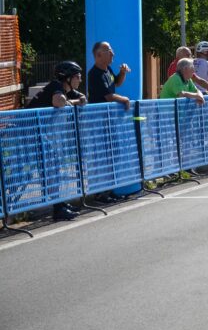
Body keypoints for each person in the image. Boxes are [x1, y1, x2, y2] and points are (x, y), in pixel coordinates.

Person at [27, 61, 87, 220]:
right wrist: (72, 102)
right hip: (29, 133)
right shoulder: (55, 86)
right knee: (49, 169)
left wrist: (74, 100)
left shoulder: (67, 90)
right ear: (67, 78)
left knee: (53, 168)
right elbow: (59, 102)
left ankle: (59, 205)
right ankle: (58, 208)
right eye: (78, 76)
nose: (80, 79)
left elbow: (83, 98)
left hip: (38, 133)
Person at [88, 41, 131, 110]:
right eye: (109, 51)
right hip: (98, 113)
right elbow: (109, 97)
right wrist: (125, 99)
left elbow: (117, 83)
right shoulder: (94, 74)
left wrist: (122, 72)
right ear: (98, 55)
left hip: (108, 113)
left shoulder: (108, 69)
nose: (113, 54)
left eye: (112, 50)